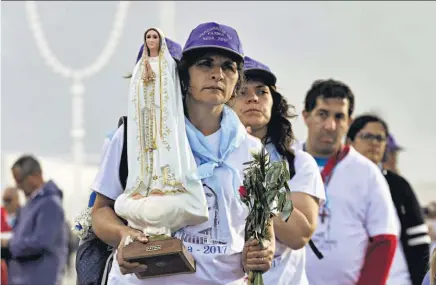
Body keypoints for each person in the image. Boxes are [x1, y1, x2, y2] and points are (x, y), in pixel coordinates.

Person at [91, 22, 275, 285]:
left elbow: (263, 223)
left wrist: (264, 250)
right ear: (184, 75)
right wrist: (123, 235)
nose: (217, 74)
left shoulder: (253, 151)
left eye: (228, 67)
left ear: (237, 82)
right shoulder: (139, 133)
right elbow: (101, 211)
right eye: (205, 63)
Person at [229, 56, 325, 285]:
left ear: (274, 101)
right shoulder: (209, 161)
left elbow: (299, 234)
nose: (253, 98)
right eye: (242, 92)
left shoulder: (298, 162)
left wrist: (256, 171)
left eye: (262, 91)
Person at [300, 79, 398, 285]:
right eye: (322, 114)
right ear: (306, 116)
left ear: (349, 122)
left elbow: (384, 240)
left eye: (339, 117)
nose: (330, 126)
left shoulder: (367, 173)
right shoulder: (284, 162)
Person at [114, 27, 208, 239]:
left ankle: (162, 186)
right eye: (148, 37)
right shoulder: (123, 136)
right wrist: (124, 235)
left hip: (164, 123)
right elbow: (100, 208)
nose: (152, 41)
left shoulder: (196, 133)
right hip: (146, 121)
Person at [347, 114, 430, 285]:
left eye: (380, 138)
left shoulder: (399, 186)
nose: (374, 143)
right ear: (350, 141)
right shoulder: (336, 180)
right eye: (367, 136)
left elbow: (419, 244)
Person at [1, 155, 68, 285]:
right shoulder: (31, 204)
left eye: (19, 181)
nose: (18, 186)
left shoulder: (50, 204)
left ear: (33, 177)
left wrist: (9, 245)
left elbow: (41, 242)